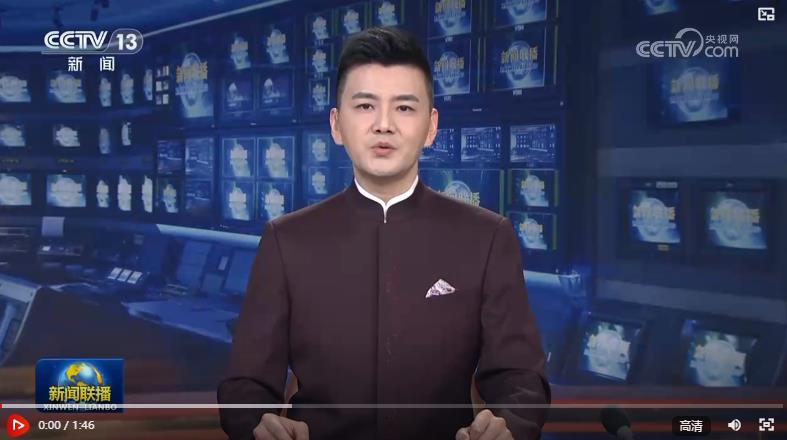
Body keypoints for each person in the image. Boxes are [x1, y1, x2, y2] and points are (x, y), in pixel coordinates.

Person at [218, 27, 550, 440]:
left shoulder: (486, 237)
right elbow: (245, 385)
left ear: (431, 126)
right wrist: (257, 424)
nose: (384, 125)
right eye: (365, 106)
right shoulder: (287, 240)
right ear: (337, 125)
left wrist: (508, 426)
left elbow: (521, 378)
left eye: (404, 108)